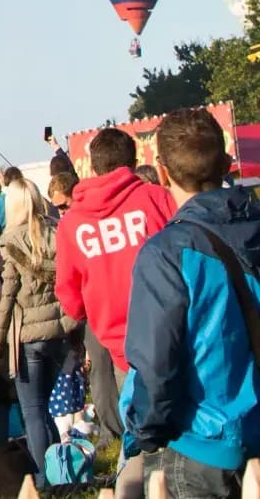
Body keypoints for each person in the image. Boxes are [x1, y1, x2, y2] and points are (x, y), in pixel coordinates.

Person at [123, 107, 260, 499]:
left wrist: (146, 431)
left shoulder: (167, 253)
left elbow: (155, 364)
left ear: (162, 172)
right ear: (228, 162)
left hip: (203, 442)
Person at [56, 127, 174, 449]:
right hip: (171, 335)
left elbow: (69, 295)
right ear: (133, 164)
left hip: (118, 345)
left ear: (92, 168)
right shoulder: (157, 199)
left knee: (142, 440)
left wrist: (88, 312)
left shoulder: (71, 223)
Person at [0, 176, 75, 475]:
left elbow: (8, 293)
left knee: (33, 411)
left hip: (27, 337)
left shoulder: (10, 244)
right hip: (60, 332)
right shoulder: (58, 232)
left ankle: (45, 477)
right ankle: (60, 470)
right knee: (48, 407)